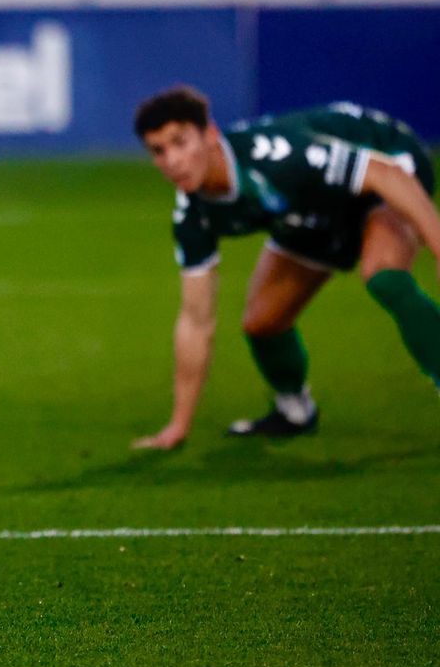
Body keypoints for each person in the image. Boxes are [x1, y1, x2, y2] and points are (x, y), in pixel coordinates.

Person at [132, 86, 439, 450]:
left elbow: (386, 174)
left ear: (210, 134)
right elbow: (196, 321)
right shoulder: (193, 216)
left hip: (388, 160)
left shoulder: (277, 158)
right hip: (316, 207)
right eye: (159, 150)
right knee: (263, 322)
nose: (173, 160)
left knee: (383, 274)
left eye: (180, 142)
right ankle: (294, 411)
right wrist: (178, 426)